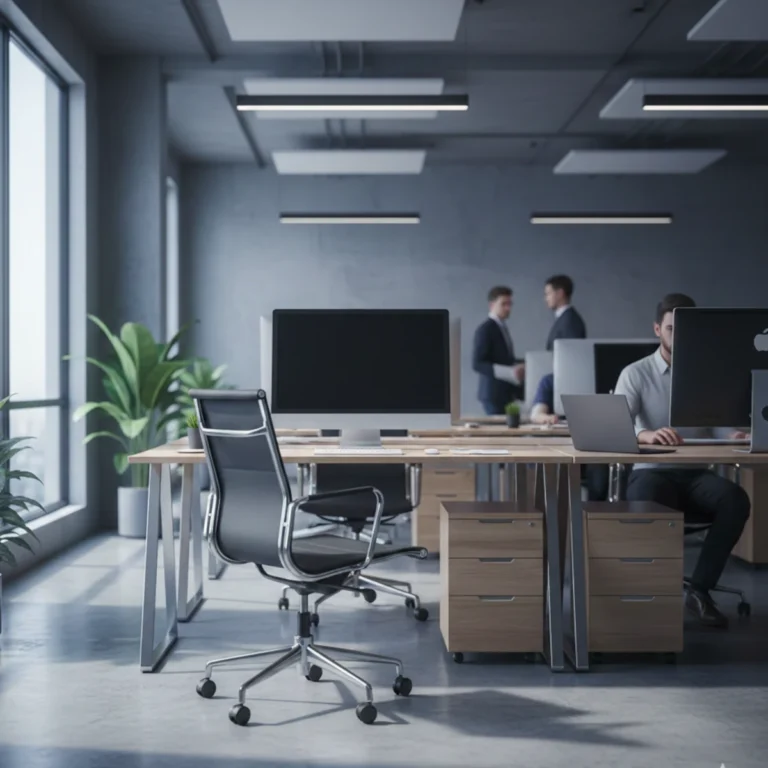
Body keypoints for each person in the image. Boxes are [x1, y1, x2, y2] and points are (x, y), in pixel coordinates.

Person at [614, 292, 750, 628]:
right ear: (658, 329)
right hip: (652, 472)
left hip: (694, 475)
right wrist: (645, 435)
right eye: (673, 329)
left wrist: (735, 435)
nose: (680, 336)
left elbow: (716, 427)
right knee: (653, 497)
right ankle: (653, 597)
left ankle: (699, 591)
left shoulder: (708, 373)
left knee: (736, 499)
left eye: (687, 330)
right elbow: (614, 426)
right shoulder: (636, 373)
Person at [472, 286, 525, 415]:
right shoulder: (485, 329)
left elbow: (505, 359)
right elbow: (478, 364)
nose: (508, 308)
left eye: (510, 304)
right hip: (493, 394)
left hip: (505, 393)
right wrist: (510, 372)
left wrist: (525, 364)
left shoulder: (502, 328)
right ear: (492, 305)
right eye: (504, 304)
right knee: (501, 433)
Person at [544, 274, 587, 351]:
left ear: (560, 294)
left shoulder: (570, 321)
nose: (546, 299)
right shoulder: (565, 318)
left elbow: (571, 354)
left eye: (548, 294)